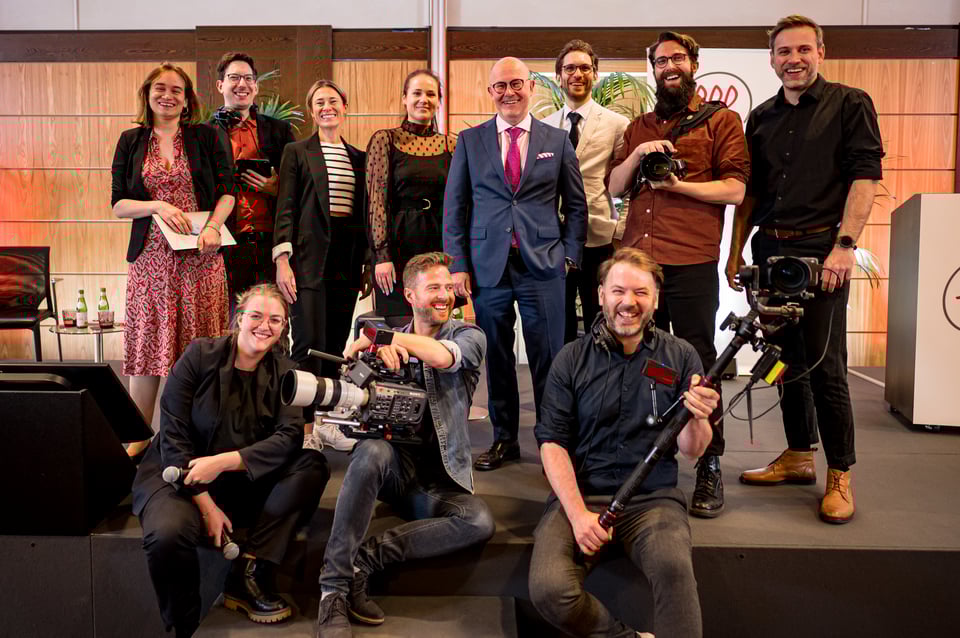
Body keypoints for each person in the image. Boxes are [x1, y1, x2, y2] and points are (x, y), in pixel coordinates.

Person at [727, 15, 883, 524]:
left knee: (825, 365)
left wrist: (844, 247)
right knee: (783, 360)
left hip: (823, 253)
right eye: (783, 52)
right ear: (771, 59)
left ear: (820, 52)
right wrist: (735, 250)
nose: (793, 60)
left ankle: (840, 471)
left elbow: (864, 180)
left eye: (802, 50)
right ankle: (798, 455)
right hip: (771, 250)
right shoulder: (763, 117)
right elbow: (751, 195)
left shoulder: (850, 104)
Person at [529, 247, 719, 638]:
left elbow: (693, 449)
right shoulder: (570, 359)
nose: (628, 303)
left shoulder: (681, 357)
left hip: (652, 501)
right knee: (549, 589)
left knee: (673, 570)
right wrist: (579, 515)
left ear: (656, 299)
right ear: (600, 294)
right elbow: (551, 442)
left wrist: (697, 415)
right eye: (618, 291)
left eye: (640, 293)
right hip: (581, 498)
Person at [132, 283, 330, 637]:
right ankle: (184, 626)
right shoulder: (198, 355)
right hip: (178, 477)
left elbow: (288, 439)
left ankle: (249, 572)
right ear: (239, 319)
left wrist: (222, 462)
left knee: (312, 465)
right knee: (166, 535)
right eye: (256, 316)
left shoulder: (289, 372)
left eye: (275, 320)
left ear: (284, 327)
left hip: (241, 478)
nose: (264, 326)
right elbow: (173, 433)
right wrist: (205, 501)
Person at [607, 32, 750, 518]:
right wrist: (639, 152)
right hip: (638, 263)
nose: (669, 65)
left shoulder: (721, 121)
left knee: (699, 363)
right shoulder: (638, 126)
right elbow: (614, 185)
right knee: (640, 360)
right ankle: (648, 454)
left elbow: (734, 190)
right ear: (653, 68)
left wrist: (676, 183)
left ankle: (709, 464)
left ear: (693, 64)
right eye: (661, 59)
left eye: (677, 58)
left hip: (689, 260)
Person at [315, 252, 495, 637]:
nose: (446, 296)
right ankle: (333, 589)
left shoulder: (468, 335)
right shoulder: (377, 332)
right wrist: (365, 351)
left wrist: (390, 339)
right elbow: (349, 380)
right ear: (410, 295)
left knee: (478, 519)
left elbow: (444, 358)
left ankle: (364, 561)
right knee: (372, 449)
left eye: (449, 288)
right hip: (392, 472)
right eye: (434, 288)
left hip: (440, 482)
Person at [443, 56, 588, 471]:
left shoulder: (557, 140)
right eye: (500, 86)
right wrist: (457, 265)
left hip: (544, 266)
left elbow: (576, 207)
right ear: (490, 92)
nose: (509, 92)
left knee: (550, 356)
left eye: (517, 84)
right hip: (488, 267)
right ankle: (505, 438)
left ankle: (552, 440)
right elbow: (456, 207)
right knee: (498, 356)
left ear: (532, 87)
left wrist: (570, 256)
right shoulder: (471, 141)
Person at [111, 62, 235, 461]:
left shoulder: (206, 136)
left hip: (201, 257)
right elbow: (118, 205)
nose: (168, 95)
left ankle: (195, 436)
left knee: (201, 350)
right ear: (147, 94)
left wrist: (215, 227)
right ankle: (138, 436)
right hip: (150, 261)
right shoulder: (131, 140)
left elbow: (227, 192)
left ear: (187, 99)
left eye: (176, 90)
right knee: (146, 348)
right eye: (160, 89)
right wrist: (158, 205)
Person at [272, 79, 367, 451]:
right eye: (319, 102)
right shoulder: (297, 151)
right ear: (313, 111)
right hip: (307, 259)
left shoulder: (358, 157)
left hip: (346, 259)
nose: (327, 107)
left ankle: (327, 422)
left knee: (333, 345)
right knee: (307, 343)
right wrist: (283, 260)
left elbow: (362, 216)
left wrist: (365, 263)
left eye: (333, 101)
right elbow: (286, 207)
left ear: (344, 107)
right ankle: (302, 428)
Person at [542, 39, 629, 343]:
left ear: (594, 74)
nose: (576, 74)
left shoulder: (618, 124)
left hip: (600, 236)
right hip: (554, 239)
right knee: (560, 321)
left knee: (600, 317)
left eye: (584, 68)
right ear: (559, 76)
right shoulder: (544, 126)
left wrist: (621, 229)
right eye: (569, 68)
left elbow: (627, 182)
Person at [366, 69, 458, 320]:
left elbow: (462, 205)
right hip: (398, 246)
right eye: (416, 93)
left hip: (439, 243)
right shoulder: (384, 140)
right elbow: (376, 202)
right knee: (399, 327)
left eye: (431, 94)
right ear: (404, 98)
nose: (423, 100)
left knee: (438, 326)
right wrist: (381, 256)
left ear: (439, 101)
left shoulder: (453, 144)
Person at [209, 52, 296, 310]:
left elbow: (297, 187)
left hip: (271, 243)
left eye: (248, 78)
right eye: (234, 78)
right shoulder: (205, 133)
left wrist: (276, 188)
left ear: (256, 87)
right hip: (227, 244)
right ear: (220, 85)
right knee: (231, 324)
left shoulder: (279, 130)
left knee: (276, 321)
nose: (242, 84)